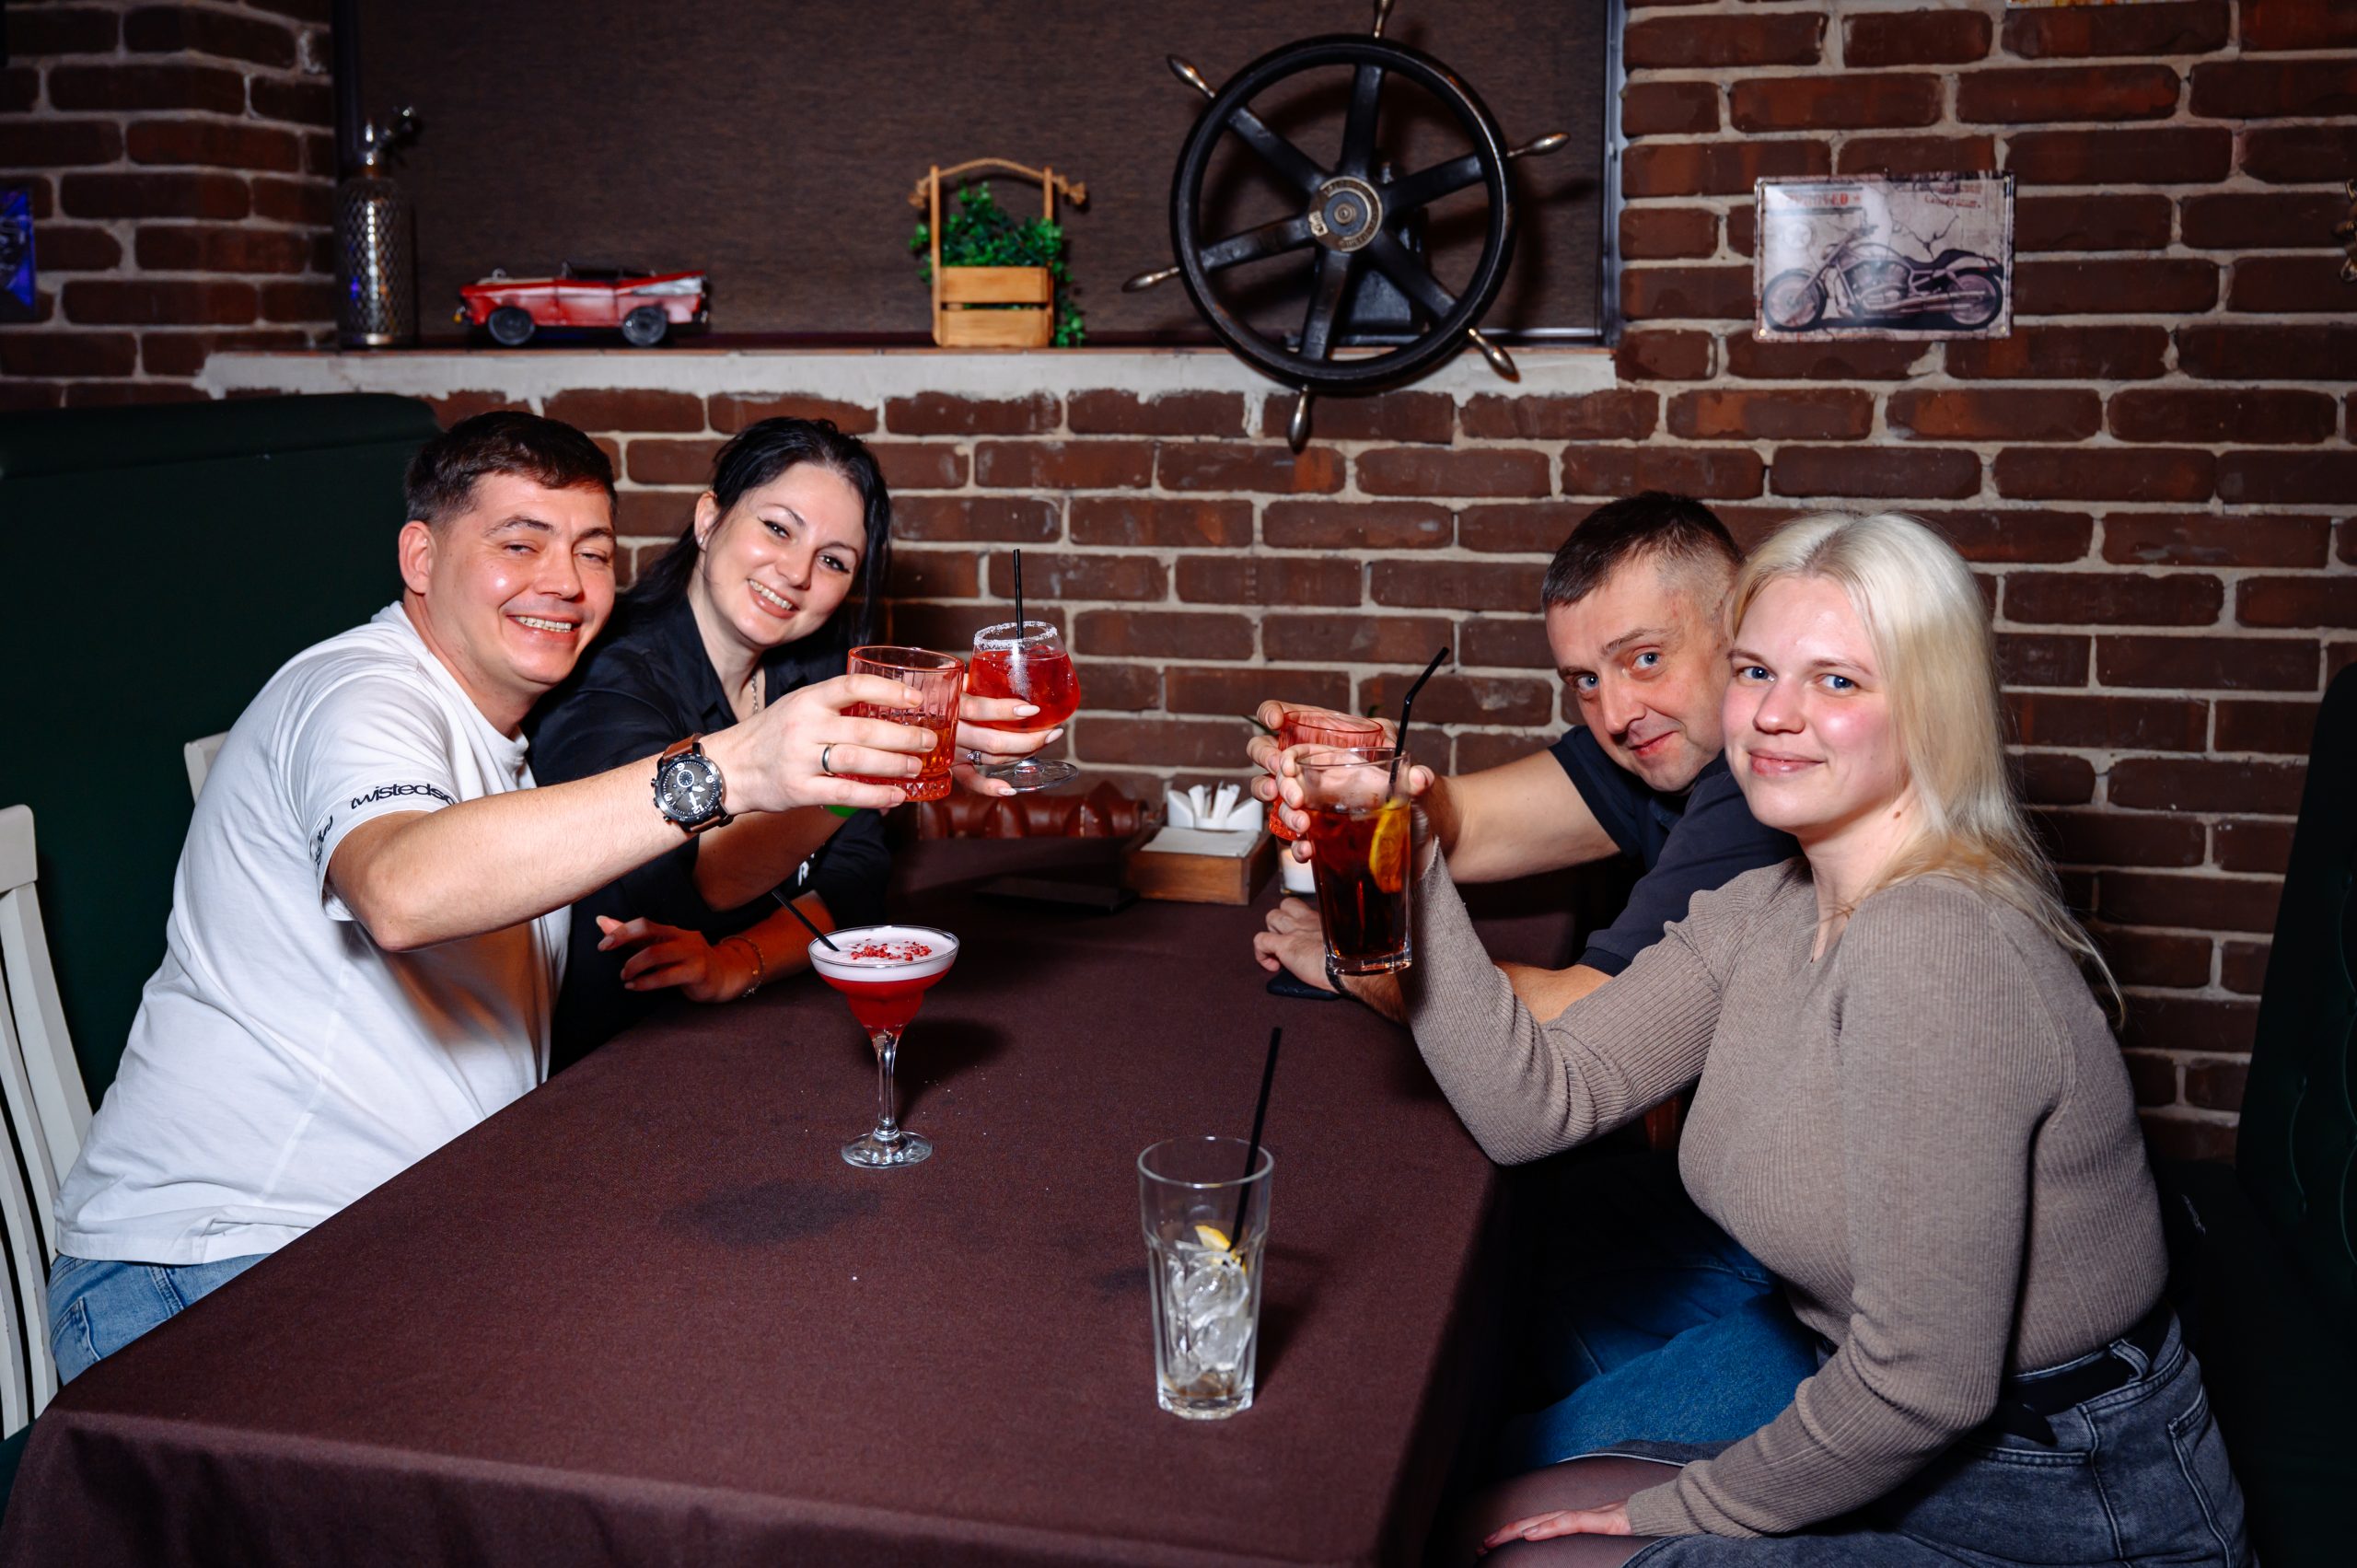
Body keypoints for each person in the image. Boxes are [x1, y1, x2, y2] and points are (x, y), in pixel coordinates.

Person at [1402, 513, 2247, 1565]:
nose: (1773, 714)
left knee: (1503, 1544)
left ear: (1931, 708)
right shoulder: (1768, 904)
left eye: (1836, 680)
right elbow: (1535, 1104)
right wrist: (1404, 862)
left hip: (2065, 1499)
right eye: (1755, 670)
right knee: (1475, 1512)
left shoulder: (1936, 946)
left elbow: (1922, 1380)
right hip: (1883, 1419)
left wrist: (1681, 1508)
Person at [47, 412, 942, 1383]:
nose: (563, 581)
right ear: (420, 557)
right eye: (520, 544)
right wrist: (733, 769)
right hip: (213, 1264)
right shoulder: (358, 695)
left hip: (408, 1237)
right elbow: (401, 889)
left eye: (591, 551)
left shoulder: (511, 740)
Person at [1253, 494, 1815, 1467]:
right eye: (1584, 679)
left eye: (1646, 658)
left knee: (1448, 1418)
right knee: (1447, 1283)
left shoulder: (1764, 790)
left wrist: (1356, 960)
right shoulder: (1666, 747)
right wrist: (1366, 778)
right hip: (1747, 1205)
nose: (1615, 712)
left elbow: (1568, 1038)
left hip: (1807, 1291)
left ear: (1741, 629)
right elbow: (1467, 820)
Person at [528, 418, 1052, 1069]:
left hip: (754, 1036)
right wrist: (871, 775)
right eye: (778, 528)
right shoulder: (611, 677)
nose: (797, 572)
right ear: (709, 519)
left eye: (834, 560)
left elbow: (857, 876)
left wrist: (738, 961)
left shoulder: (812, 670)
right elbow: (696, 881)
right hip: (618, 1062)